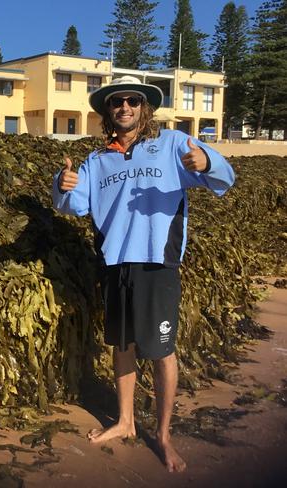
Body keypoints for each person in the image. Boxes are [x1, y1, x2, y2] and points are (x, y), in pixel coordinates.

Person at [52, 75, 235, 472]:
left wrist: (207, 163)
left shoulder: (171, 145)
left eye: (132, 100)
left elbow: (225, 177)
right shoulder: (97, 161)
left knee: (162, 351)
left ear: (144, 107)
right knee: (123, 346)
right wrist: (63, 185)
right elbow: (73, 204)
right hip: (115, 263)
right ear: (107, 111)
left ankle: (164, 435)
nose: (125, 107)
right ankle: (125, 421)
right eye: (117, 101)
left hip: (157, 262)